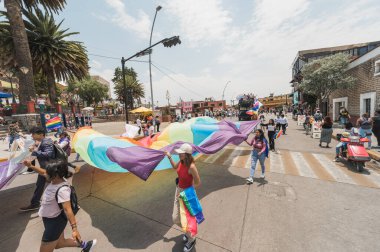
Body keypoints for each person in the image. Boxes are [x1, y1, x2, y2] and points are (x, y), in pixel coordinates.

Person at [22, 160, 96, 252]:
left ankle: (85, 246)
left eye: (48, 173)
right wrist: (31, 166)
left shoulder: (62, 190)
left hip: (55, 223)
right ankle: (86, 246)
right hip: (50, 220)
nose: (46, 174)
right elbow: (43, 172)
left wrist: (75, 229)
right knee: (59, 243)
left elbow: (67, 210)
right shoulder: (55, 180)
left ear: (55, 175)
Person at [166, 143, 201, 252]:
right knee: (175, 218)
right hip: (178, 191)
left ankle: (191, 239)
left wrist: (185, 192)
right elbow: (174, 167)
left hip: (187, 194)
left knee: (188, 220)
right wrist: (169, 157)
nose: (179, 154)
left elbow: (198, 183)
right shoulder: (181, 162)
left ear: (186, 154)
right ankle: (188, 233)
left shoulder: (191, 167)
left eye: (181, 153)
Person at [20, 126, 55, 212]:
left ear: (41, 134)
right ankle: (35, 203)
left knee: (57, 184)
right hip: (45, 168)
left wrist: (35, 151)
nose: (32, 136)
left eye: (33, 134)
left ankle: (68, 201)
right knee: (40, 186)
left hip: (49, 168)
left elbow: (49, 154)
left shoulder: (46, 142)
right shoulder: (41, 141)